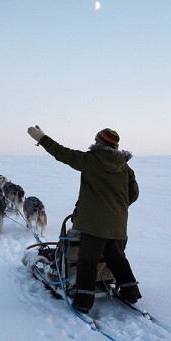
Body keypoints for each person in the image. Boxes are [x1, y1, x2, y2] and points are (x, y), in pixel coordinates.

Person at [27, 125, 141, 313]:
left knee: (88, 261)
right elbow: (134, 194)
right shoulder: (126, 168)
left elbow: (61, 153)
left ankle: (83, 302)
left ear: (99, 142)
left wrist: (41, 137)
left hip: (92, 224)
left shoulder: (90, 160)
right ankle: (131, 293)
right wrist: (115, 208)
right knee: (117, 258)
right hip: (118, 224)